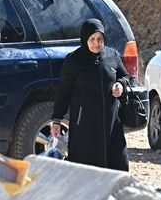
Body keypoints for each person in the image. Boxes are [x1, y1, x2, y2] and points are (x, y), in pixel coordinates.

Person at [50, 19, 129, 171]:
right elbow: (64, 92)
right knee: (86, 167)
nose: (96, 43)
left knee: (118, 164)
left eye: (100, 39)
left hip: (111, 124)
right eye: (92, 39)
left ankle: (114, 194)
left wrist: (121, 85)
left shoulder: (112, 56)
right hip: (85, 126)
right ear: (85, 39)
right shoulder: (74, 60)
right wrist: (56, 120)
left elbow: (125, 76)